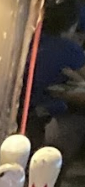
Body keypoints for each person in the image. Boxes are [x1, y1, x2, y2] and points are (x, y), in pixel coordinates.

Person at [28, 3, 85, 161]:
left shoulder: (33, 40)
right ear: (72, 25)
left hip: (26, 112)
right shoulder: (69, 50)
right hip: (47, 114)